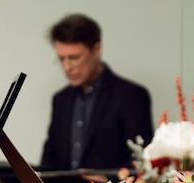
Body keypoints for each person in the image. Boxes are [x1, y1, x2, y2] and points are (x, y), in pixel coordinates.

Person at [40, 13, 154, 172]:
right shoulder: (60, 99)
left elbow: (141, 159)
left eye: (74, 57)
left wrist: (107, 181)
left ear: (96, 49)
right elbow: (50, 159)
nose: (67, 67)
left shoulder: (130, 95)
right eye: (61, 59)